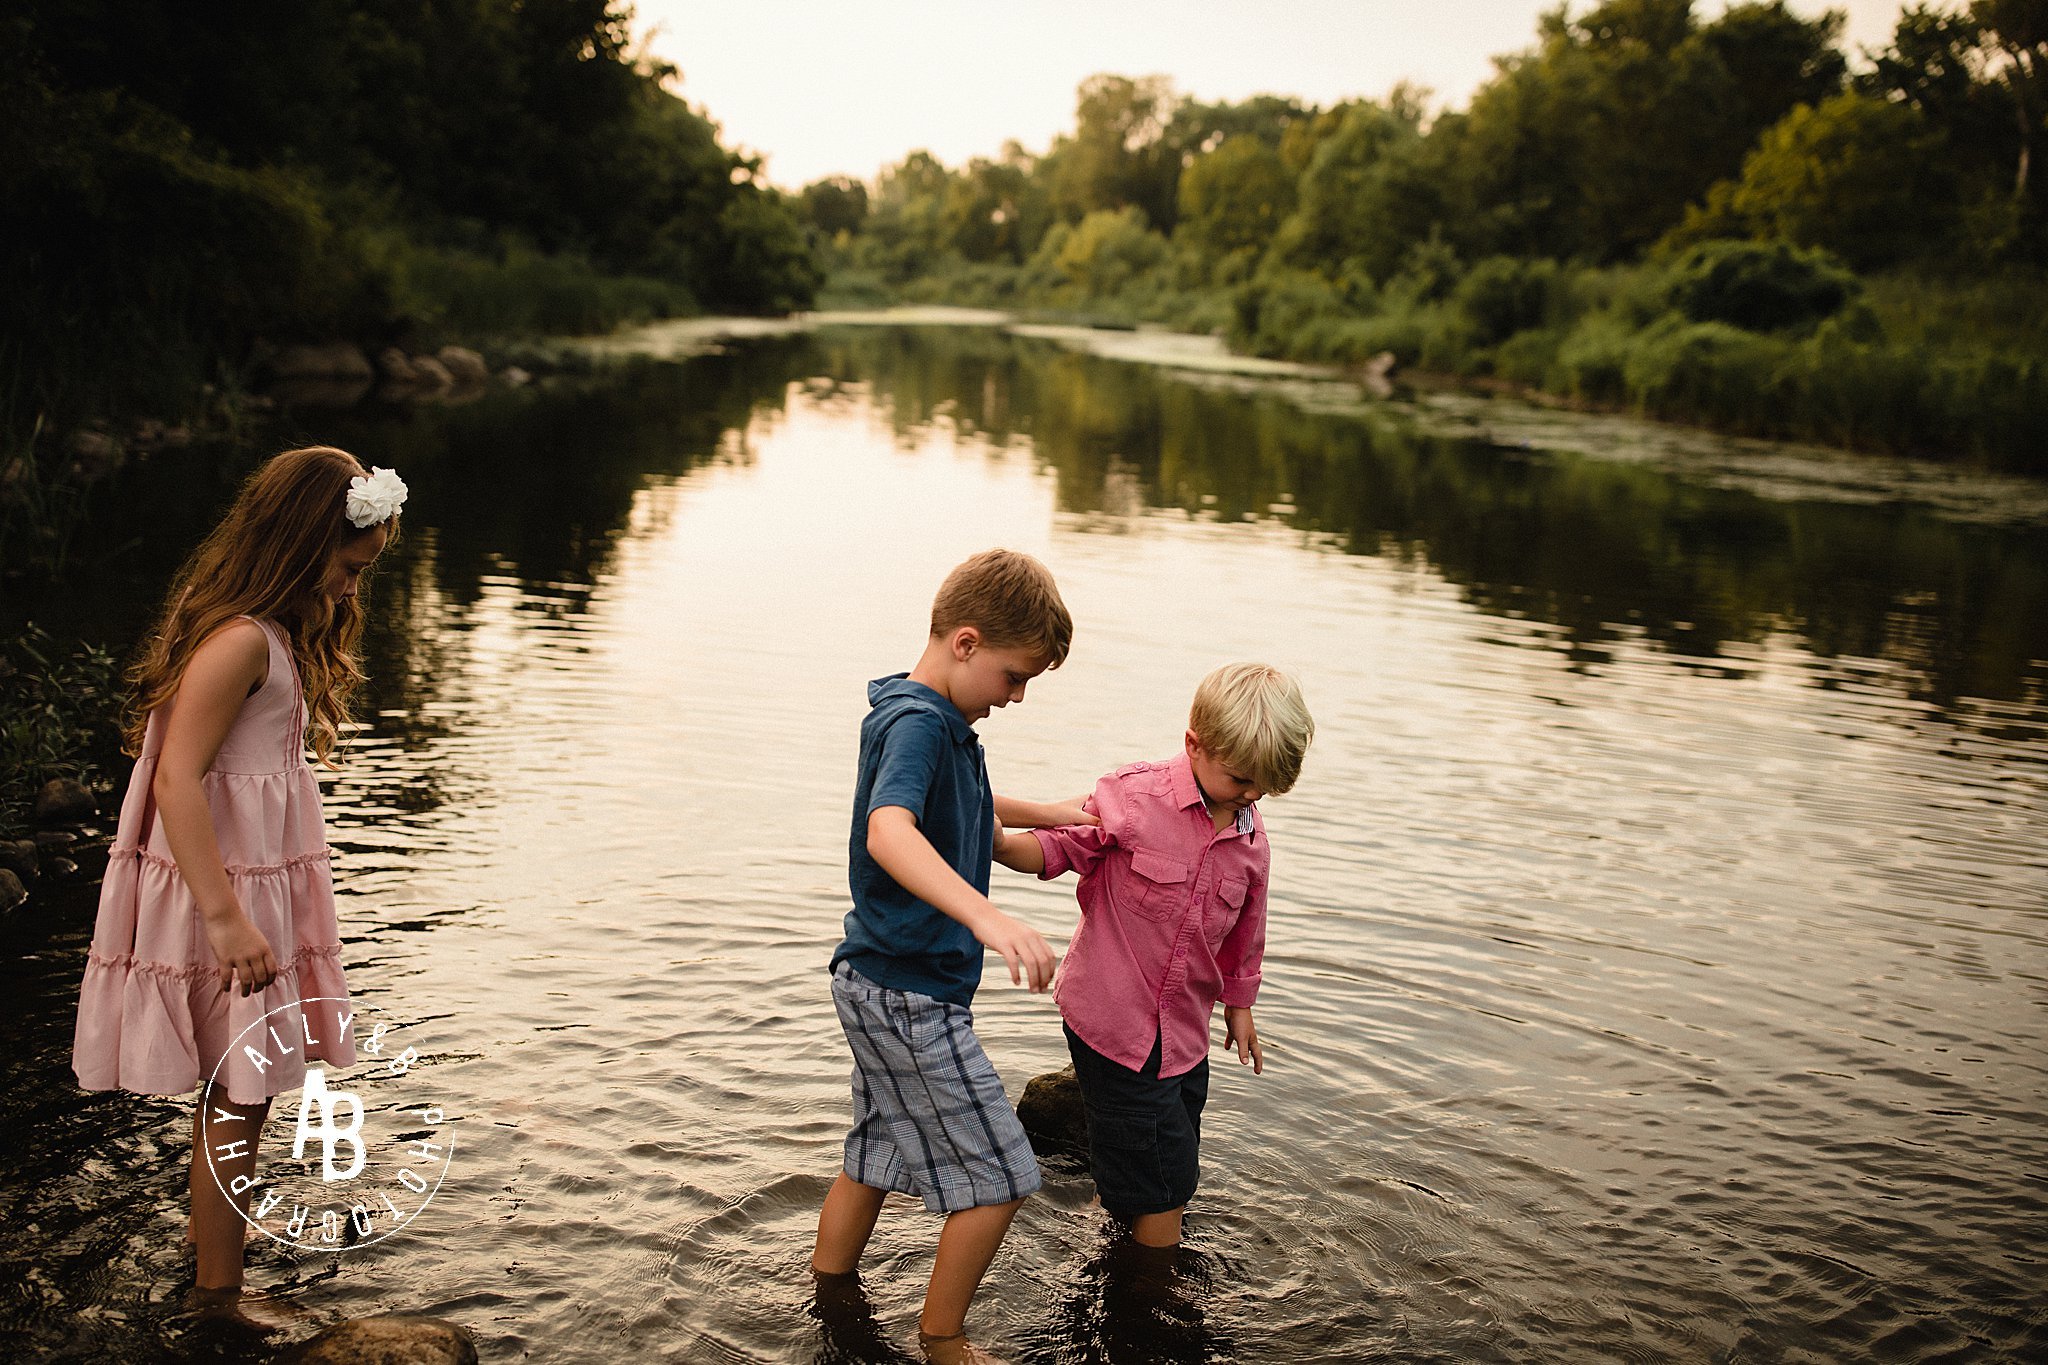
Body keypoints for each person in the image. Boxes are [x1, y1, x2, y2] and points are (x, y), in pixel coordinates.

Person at [72, 446, 404, 1316]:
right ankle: (219, 1295)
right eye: (345, 567)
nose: (350, 588)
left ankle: (209, 1251)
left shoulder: (265, 633)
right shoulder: (240, 642)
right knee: (240, 1090)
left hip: (249, 884)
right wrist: (224, 916)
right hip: (221, 890)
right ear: (298, 547)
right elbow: (178, 778)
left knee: (235, 1085)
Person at [811, 548, 1081, 1365]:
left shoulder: (937, 721)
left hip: (880, 982)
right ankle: (944, 1339)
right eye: (1013, 675)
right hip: (907, 994)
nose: (1017, 696)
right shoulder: (920, 723)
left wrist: (1061, 812)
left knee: (874, 1153)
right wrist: (991, 921)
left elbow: (972, 813)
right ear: (966, 642)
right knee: (1002, 1176)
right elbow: (888, 830)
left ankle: (830, 1290)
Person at [995, 663, 1314, 1251]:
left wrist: (1239, 1009)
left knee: (1177, 1135)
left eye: (1263, 788)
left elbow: (1247, 931)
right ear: (1194, 745)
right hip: (1112, 1020)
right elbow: (1059, 846)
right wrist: (995, 842)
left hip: (1184, 1034)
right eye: (1241, 778)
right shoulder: (1134, 798)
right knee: (1166, 1182)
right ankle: (1154, 1287)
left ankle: (1112, 1211)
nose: (1250, 796)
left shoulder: (1251, 839)